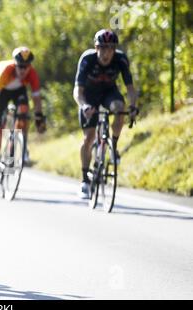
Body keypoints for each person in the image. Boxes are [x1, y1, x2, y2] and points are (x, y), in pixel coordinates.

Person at [73, 29, 138, 199]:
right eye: (102, 48)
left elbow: (130, 88)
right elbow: (77, 91)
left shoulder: (120, 59)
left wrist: (133, 106)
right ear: (96, 48)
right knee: (88, 138)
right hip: (89, 95)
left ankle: (113, 146)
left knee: (119, 107)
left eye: (110, 48)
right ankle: (84, 180)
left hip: (109, 92)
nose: (106, 52)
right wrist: (84, 105)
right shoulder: (87, 59)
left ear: (114, 49)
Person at [0, 46, 46, 184]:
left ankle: (22, 144)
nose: (23, 70)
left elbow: (36, 98)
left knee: (24, 111)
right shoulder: (6, 70)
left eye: (26, 67)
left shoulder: (32, 73)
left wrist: (39, 116)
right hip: (1, 93)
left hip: (18, 91)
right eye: (20, 67)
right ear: (15, 64)